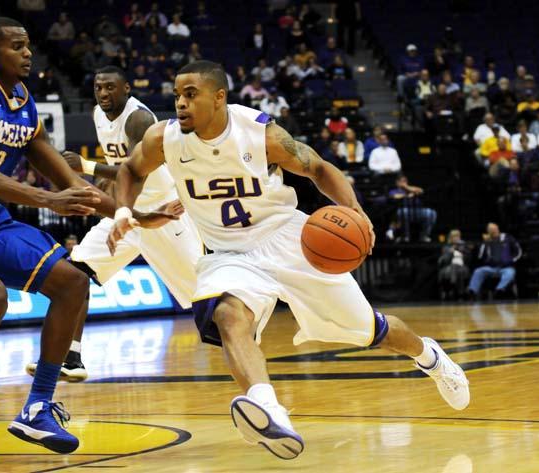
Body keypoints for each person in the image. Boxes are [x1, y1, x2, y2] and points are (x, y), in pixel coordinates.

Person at [107, 60, 470, 460]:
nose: (180, 104)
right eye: (176, 95)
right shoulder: (164, 138)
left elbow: (318, 168)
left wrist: (356, 212)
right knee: (228, 315)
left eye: (190, 94)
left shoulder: (261, 134)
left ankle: (430, 357)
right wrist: (124, 212)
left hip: (288, 240)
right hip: (229, 252)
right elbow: (130, 170)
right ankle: (268, 407)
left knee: (369, 329)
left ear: (219, 96)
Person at [0, 18, 178, 461]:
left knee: (73, 282)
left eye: (28, 46)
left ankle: (37, 407)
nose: (27, 53)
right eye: (17, 46)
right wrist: (50, 199)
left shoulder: (21, 103)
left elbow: (69, 180)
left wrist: (130, 213)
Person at [25, 66, 203, 381]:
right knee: (75, 272)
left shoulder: (139, 119)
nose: (104, 94)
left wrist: (87, 166)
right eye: (99, 88)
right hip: (126, 213)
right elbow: (120, 174)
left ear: (127, 89)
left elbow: (136, 170)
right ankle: (70, 358)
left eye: (110, 88)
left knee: (204, 295)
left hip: (163, 214)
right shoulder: (97, 114)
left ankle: (248, 327)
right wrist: (108, 205)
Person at [468, 223, 522, 299]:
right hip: (491, 267)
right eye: (491, 230)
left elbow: (518, 251)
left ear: (498, 228)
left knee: (510, 273)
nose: (494, 231)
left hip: (506, 267)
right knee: (478, 271)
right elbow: (480, 256)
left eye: (495, 229)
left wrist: (512, 260)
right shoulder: (487, 241)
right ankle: (472, 291)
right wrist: (484, 243)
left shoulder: (507, 238)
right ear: (488, 231)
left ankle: (499, 290)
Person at [389, 174, 437, 242]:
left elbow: (421, 191)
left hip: (417, 211)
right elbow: (394, 197)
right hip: (404, 211)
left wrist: (407, 188)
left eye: (405, 181)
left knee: (431, 213)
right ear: (397, 183)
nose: (404, 183)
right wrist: (408, 195)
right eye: (402, 181)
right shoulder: (394, 191)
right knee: (402, 212)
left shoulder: (411, 188)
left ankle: (424, 235)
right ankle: (406, 236)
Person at [438, 229, 470, 300]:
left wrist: (462, 251)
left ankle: (452, 285)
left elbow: (469, 259)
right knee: (455, 267)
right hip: (448, 267)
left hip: (462, 266)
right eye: (454, 236)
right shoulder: (446, 247)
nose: (456, 238)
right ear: (451, 238)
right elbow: (444, 261)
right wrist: (451, 252)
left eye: (458, 236)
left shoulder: (463, 246)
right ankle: (460, 292)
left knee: (459, 269)